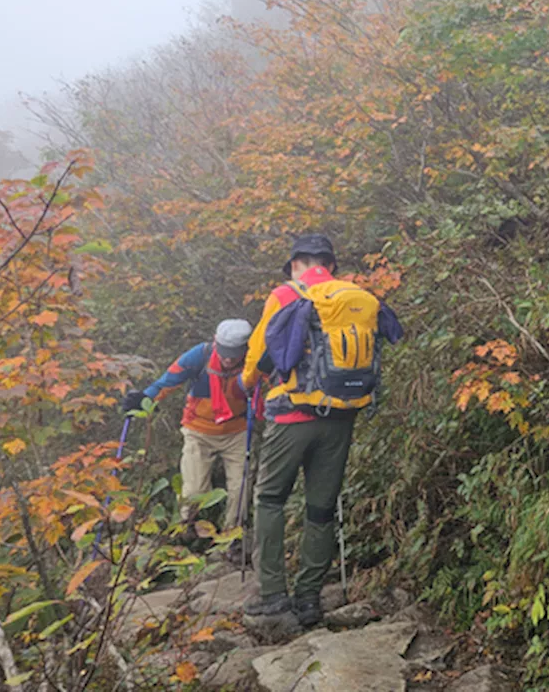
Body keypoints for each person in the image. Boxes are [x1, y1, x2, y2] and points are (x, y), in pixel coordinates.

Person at [242, 234, 403, 627]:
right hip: (341, 416)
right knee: (320, 507)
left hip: (293, 415)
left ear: (297, 264)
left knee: (270, 499)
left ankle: (273, 595)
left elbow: (259, 353)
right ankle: (310, 599)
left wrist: (247, 382)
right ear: (330, 264)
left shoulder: (284, 294)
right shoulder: (356, 296)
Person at [123, 319, 255, 558]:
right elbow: (168, 382)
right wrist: (143, 400)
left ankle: (232, 540)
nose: (228, 359)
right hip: (198, 431)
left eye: (234, 355)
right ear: (216, 343)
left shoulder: (254, 360)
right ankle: (188, 533)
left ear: (245, 349)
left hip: (237, 431)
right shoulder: (199, 356)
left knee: (241, 488)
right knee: (194, 489)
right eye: (224, 353)